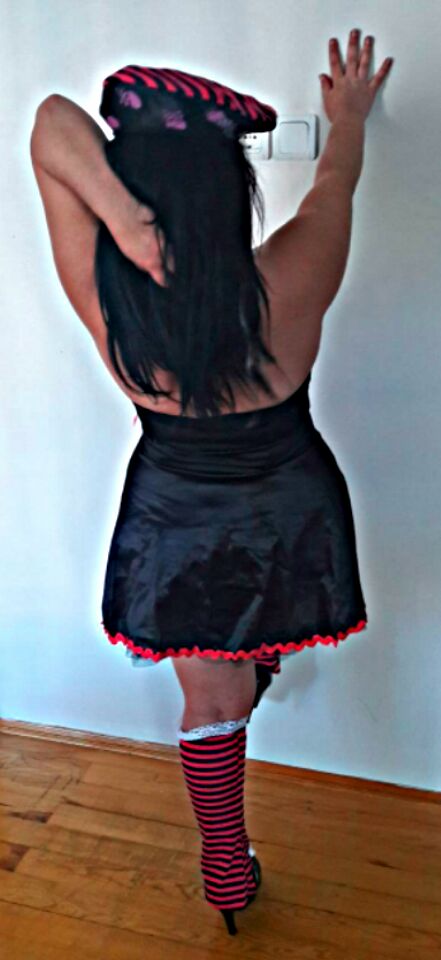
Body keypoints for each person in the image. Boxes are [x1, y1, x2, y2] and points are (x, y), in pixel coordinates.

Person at [30, 28, 393, 936]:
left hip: (177, 517)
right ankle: (255, 659)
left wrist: (123, 219)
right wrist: (348, 116)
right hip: (285, 506)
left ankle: (225, 869)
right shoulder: (292, 275)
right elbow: (335, 181)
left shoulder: (109, 304)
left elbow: (50, 125)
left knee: (210, 700)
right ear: (230, 195)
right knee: (248, 653)